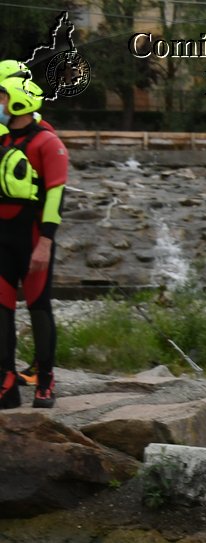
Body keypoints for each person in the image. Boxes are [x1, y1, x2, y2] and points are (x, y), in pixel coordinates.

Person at [0, 62, 68, 410]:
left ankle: (45, 380)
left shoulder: (47, 143)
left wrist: (45, 241)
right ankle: (6, 380)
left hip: (33, 239)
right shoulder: (1, 139)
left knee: (39, 308)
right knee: (1, 310)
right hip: (2, 239)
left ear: (16, 100)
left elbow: (56, 194)